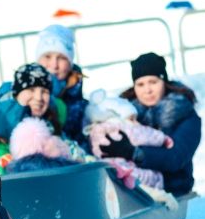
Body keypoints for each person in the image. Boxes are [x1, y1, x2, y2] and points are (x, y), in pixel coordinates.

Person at [99, 52, 201, 196]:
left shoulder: (186, 115)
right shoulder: (125, 114)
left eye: (153, 82)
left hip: (174, 191)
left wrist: (134, 153)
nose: (147, 90)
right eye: (140, 84)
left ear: (164, 81)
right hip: (134, 191)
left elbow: (176, 158)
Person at [83, 88, 172, 190]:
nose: (136, 124)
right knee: (151, 176)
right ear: (116, 116)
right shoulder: (122, 127)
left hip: (110, 166)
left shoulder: (93, 131)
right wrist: (162, 138)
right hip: (127, 167)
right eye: (132, 119)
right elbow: (145, 134)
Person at [0, 62, 67, 173]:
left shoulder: (51, 124)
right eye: (31, 90)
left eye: (44, 91)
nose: (39, 97)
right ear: (16, 94)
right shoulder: (2, 127)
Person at [34, 24, 88, 144]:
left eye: (62, 58)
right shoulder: (24, 92)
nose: (54, 65)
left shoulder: (80, 103)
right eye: (47, 56)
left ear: (70, 63)